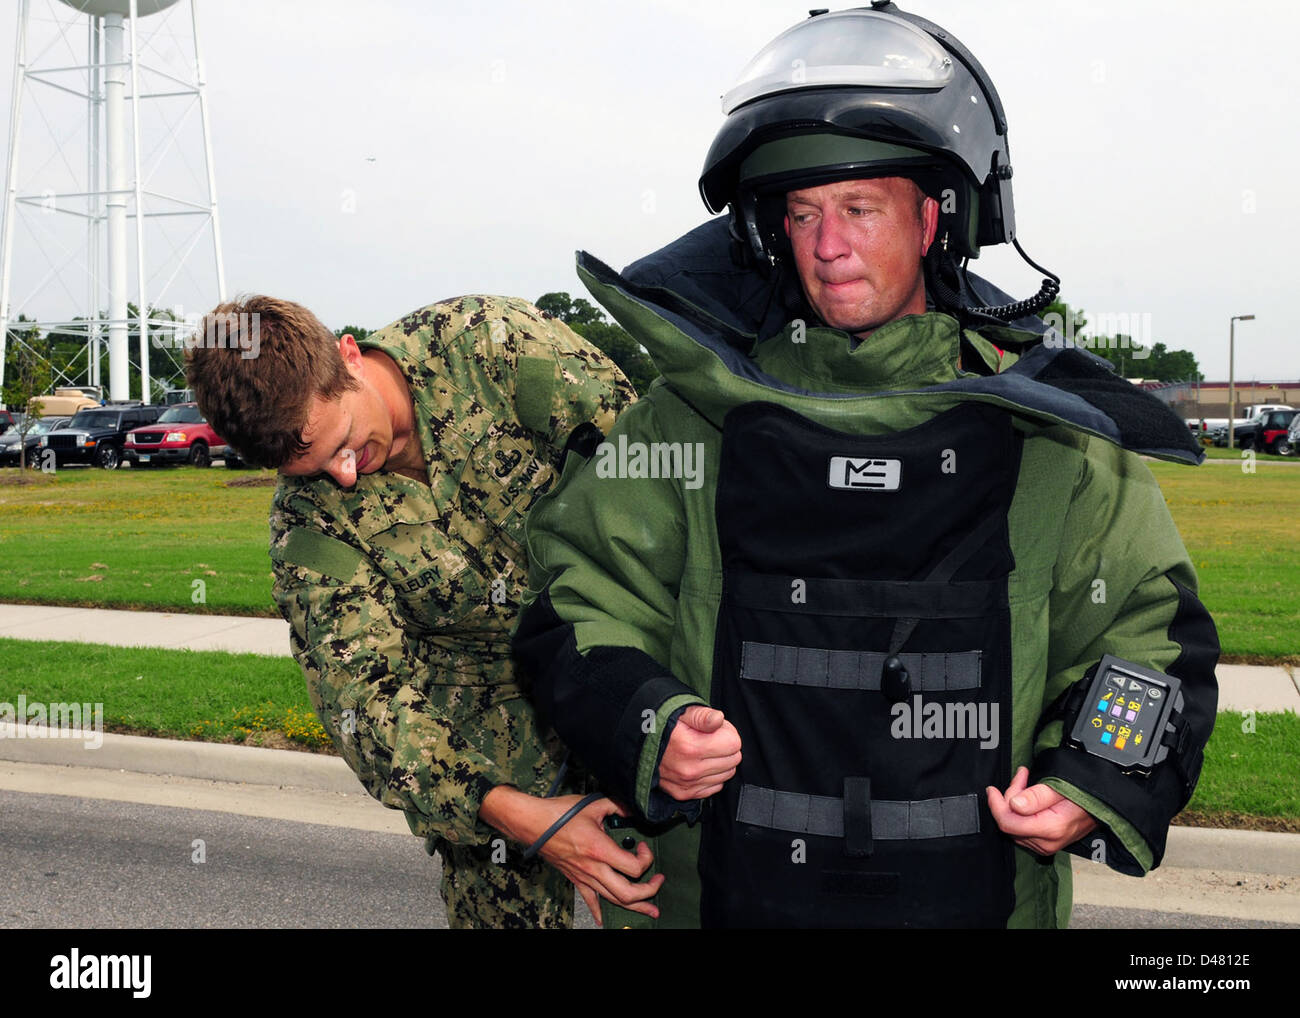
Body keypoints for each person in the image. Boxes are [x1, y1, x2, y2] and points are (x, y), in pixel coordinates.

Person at [513, 3, 1219, 928]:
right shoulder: (694, 417)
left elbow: (1150, 633)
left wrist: (1092, 779)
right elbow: (576, 598)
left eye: (859, 208)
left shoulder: (1051, 438)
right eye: (802, 213)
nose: (828, 245)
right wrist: (649, 721)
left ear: (935, 220)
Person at [186, 293, 665, 928]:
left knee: (669, 898)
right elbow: (362, 697)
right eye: (318, 467)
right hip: (490, 738)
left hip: (629, 658)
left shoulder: (492, 348)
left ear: (349, 357)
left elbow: (650, 476)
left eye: (346, 442)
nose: (347, 475)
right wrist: (519, 815)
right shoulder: (308, 523)